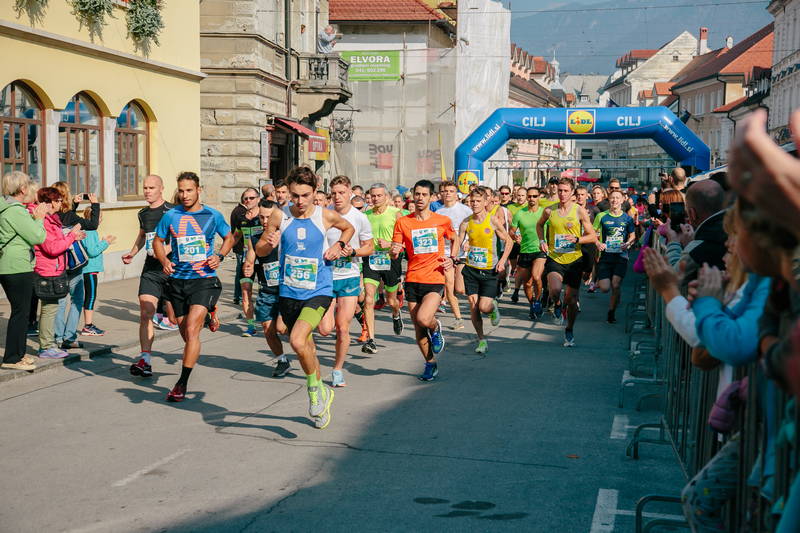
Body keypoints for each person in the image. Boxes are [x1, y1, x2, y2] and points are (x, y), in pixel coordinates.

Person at [255, 166, 354, 429]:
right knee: (306, 349)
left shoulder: (325, 215)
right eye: (295, 195)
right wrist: (269, 243)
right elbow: (260, 248)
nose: (299, 201)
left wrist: (338, 245)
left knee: (297, 340)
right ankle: (322, 394)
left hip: (318, 290)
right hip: (289, 292)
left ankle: (312, 392)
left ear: (315, 192)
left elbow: (348, 229)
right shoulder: (280, 215)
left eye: (305, 195)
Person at [153, 172, 234, 402]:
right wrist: (164, 260)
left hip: (204, 280)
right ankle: (209, 315)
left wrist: (219, 256)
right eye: (181, 190)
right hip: (178, 281)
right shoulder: (171, 216)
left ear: (199, 190)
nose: (185, 195)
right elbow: (158, 241)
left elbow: (229, 238)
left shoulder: (212, 215)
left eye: (189, 190)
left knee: (191, 331)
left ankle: (181, 383)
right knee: (183, 331)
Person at [391, 179, 454, 381]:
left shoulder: (442, 220)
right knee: (418, 329)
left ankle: (436, 327)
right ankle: (430, 363)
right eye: (417, 194)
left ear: (431, 197)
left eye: (424, 194)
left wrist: (452, 258)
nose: (420, 198)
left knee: (424, 319)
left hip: (435, 277)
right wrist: (393, 250)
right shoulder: (403, 222)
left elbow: (455, 238)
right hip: (413, 278)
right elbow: (396, 249)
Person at [318, 175, 374, 387]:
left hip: (348, 277)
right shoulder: (324, 215)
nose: (337, 197)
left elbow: (370, 247)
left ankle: (337, 370)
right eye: (334, 193)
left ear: (350, 193)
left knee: (343, 328)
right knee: (325, 329)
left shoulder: (359, 218)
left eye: (342, 193)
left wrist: (353, 252)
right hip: (326, 275)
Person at [122, 175, 177, 377]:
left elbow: (183, 236)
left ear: (161, 188)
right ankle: (145, 359)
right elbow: (142, 235)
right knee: (146, 312)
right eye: (145, 187)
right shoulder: (143, 213)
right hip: (152, 270)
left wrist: (166, 249)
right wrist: (132, 252)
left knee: (178, 320)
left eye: (151, 188)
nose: (147, 191)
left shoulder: (173, 211)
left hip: (174, 269)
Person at [537, 177, 597, 347]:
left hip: (574, 260)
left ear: (572, 193)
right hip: (555, 258)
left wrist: (577, 239)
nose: (562, 194)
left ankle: (569, 329)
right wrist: (542, 240)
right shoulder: (549, 211)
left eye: (565, 191)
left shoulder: (579, 211)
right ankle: (557, 304)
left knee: (571, 300)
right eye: (560, 191)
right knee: (555, 290)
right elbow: (539, 225)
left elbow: (592, 236)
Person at [0, 172, 46, 371]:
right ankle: (12, 358)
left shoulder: (4, 207)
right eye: (27, 185)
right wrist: (39, 219)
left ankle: (18, 353)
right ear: (22, 189)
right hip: (17, 266)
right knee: (21, 312)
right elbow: (37, 237)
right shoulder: (15, 211)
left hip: (7, 264)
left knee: (20, 311)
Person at [457, 188, 512, 353]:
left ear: (486, 202)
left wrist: (502, 261)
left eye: (478, 201)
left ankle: (492, 307)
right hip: (472, 269)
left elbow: (509, 241)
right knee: (473, 306)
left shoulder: (493, 220)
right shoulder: (466, 222)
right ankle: (481, 340)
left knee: (484, 307)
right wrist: (458, 249)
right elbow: (458, 241)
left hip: (489, 270)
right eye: (472, 201)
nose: (474, 204)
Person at [33, 187, 85, 359]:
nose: (60, 203)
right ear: (47, 203)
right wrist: (71, 236)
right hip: (47, 269)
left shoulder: (52, 219)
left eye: (61, 200)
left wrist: (72, 236)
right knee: (49, 310)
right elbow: (52, 248)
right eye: (57, 200)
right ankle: (46, 346)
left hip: (54, 268)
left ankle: (49, 344)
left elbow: (57, 242)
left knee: (51, 308)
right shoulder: (45, 222)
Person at [242, 199, 291, 378]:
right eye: (261, 217)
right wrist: (248, 267)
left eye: (268, 217)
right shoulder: (255, 238)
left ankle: (306, 346)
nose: (264, 221)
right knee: (267, 328)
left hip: (288, 290)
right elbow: (250, 258)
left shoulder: (287, 235)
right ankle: (282, 360)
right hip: (267, 289)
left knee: (282, 328)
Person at [53, 182, 99, 351]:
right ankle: (69, 337)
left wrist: (74, 205)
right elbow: (93, 224)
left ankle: (58, 338)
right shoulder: (71, 217)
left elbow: (63, 217)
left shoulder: (50, 216)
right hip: (73, 263)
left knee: (60, 302)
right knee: (77, 300)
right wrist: (95, 204)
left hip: (56, 263)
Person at [362, 183, 404, 354]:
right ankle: (371, 339)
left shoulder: (396, 213)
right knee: (369, 299)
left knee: (391, 301)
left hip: (391, 259)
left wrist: (391, 244)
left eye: (379, 195)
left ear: (387, 197)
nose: (375, 199)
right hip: (371, 259)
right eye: (373, 196)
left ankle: (396, 313)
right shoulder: (365, 215)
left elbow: (405, 240)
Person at [663, 179, 727, 287]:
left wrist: (673, 242)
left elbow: (672, 278)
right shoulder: (739, 226)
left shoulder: (702, 245)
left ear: (692, 214)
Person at [593, 190, 636, 324]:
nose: (615, 200)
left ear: (622, 200)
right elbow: (592, 233)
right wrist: (598, 243)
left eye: (617, 198)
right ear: (609, 200)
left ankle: (611, 312)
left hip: (621, 256)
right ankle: (610, 290)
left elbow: (633, 236)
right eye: (612, 198)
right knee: (605, 288)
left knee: (616, 284)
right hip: (606, 257)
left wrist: (628, 243)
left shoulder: (627, 218)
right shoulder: (601, 216)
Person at [435, 180, 472, 330]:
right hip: (445, 254)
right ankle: (458, 319)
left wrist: (468, 241)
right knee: (449, 287)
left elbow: (474, 228)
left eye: (451, 191)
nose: (448, 194)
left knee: (460, 289)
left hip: (462, 253)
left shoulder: (465, 210)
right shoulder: (438, 212)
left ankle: (480, 301)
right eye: (445, 191)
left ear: (456, 194)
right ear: (441, 194)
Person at [511, 186, 547, 320]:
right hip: (525, 250)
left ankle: (538, 301)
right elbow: (512, 230)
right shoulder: (520, 213)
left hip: (540, 250)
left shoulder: (544, 213)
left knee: (536, 276)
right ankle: (532, 304)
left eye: (534, 196)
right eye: (529, 196)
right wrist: (515, 236)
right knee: (527, 284)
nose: (532, 198)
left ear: (539, 197)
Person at [231, 187, 262, 337]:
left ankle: (273, 321)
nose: (248, 201)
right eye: (246, 198)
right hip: (247, 260)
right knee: (245, 291)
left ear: (258, 199)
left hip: (263, 260)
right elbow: (235, 236)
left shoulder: (265, 216)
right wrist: (221, 253)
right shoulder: (242, 218)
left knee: (267, 293)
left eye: (251, 198)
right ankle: (251, 326)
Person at [80, 208, 116, 336]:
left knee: (88, 296)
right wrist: (106, 242)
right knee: (90, 296)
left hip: (88, 269)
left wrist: (101, 241)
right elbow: (92, 251)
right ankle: (88, 326)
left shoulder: (86, 230)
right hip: (90, 269)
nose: (101, 220)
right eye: (99, 217)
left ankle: (88, 325)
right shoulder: (90, 231)